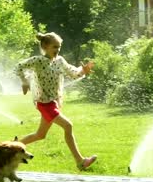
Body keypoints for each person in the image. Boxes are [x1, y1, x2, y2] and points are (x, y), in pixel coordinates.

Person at [15, 32, 96, 170]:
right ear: (45, 46)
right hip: (44, 103)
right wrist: (24, 82)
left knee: (40, 135)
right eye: (54, 47)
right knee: (68, 126)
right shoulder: (38, 61)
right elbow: (18, 67)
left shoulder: (60, 61)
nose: (57, 50)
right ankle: (80, 161)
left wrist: (83, 70)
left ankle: (12, 148)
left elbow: (73, 72)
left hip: (53, 102)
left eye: (59, 47)